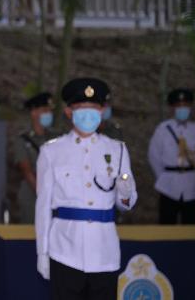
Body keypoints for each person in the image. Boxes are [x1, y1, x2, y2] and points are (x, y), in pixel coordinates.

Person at [35, 78, 136, 300]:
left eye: (93, 108)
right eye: (81, 108)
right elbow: (42, 207)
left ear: (103, 111)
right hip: (64, 251)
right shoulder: (52, 152)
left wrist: (126, 191)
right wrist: (42, 253)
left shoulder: (117, 150)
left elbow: (125, 205)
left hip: (105, 251)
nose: (87, 114)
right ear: (69, 111)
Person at [148, 88, 195, 224]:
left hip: (191, 185)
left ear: (190, 107)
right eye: (178, 106)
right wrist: (164, 176)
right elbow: (154, 155)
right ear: (172, 108)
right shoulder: (163, 129)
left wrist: (194, 174)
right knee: (166, 225)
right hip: (168, 186)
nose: (182, 109)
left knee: (191, 227)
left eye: (185, 105)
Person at [14, 92, 56, 223]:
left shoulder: (55, 138)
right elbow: (26, 171)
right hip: (33, 197)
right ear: (34, 113)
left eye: (50, 110)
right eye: (44, 110)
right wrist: (44, 195)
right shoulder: (23, 139)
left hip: (56, 196)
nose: (49, 114)